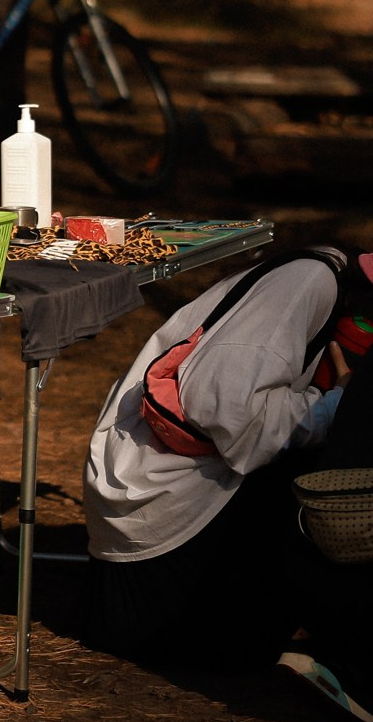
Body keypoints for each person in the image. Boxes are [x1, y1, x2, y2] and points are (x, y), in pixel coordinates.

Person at [84, 249, 373, 688]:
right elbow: (226, 408)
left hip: (166, 497)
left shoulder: (322, 283)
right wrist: (341, 406)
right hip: (163, 508)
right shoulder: (309, 284)